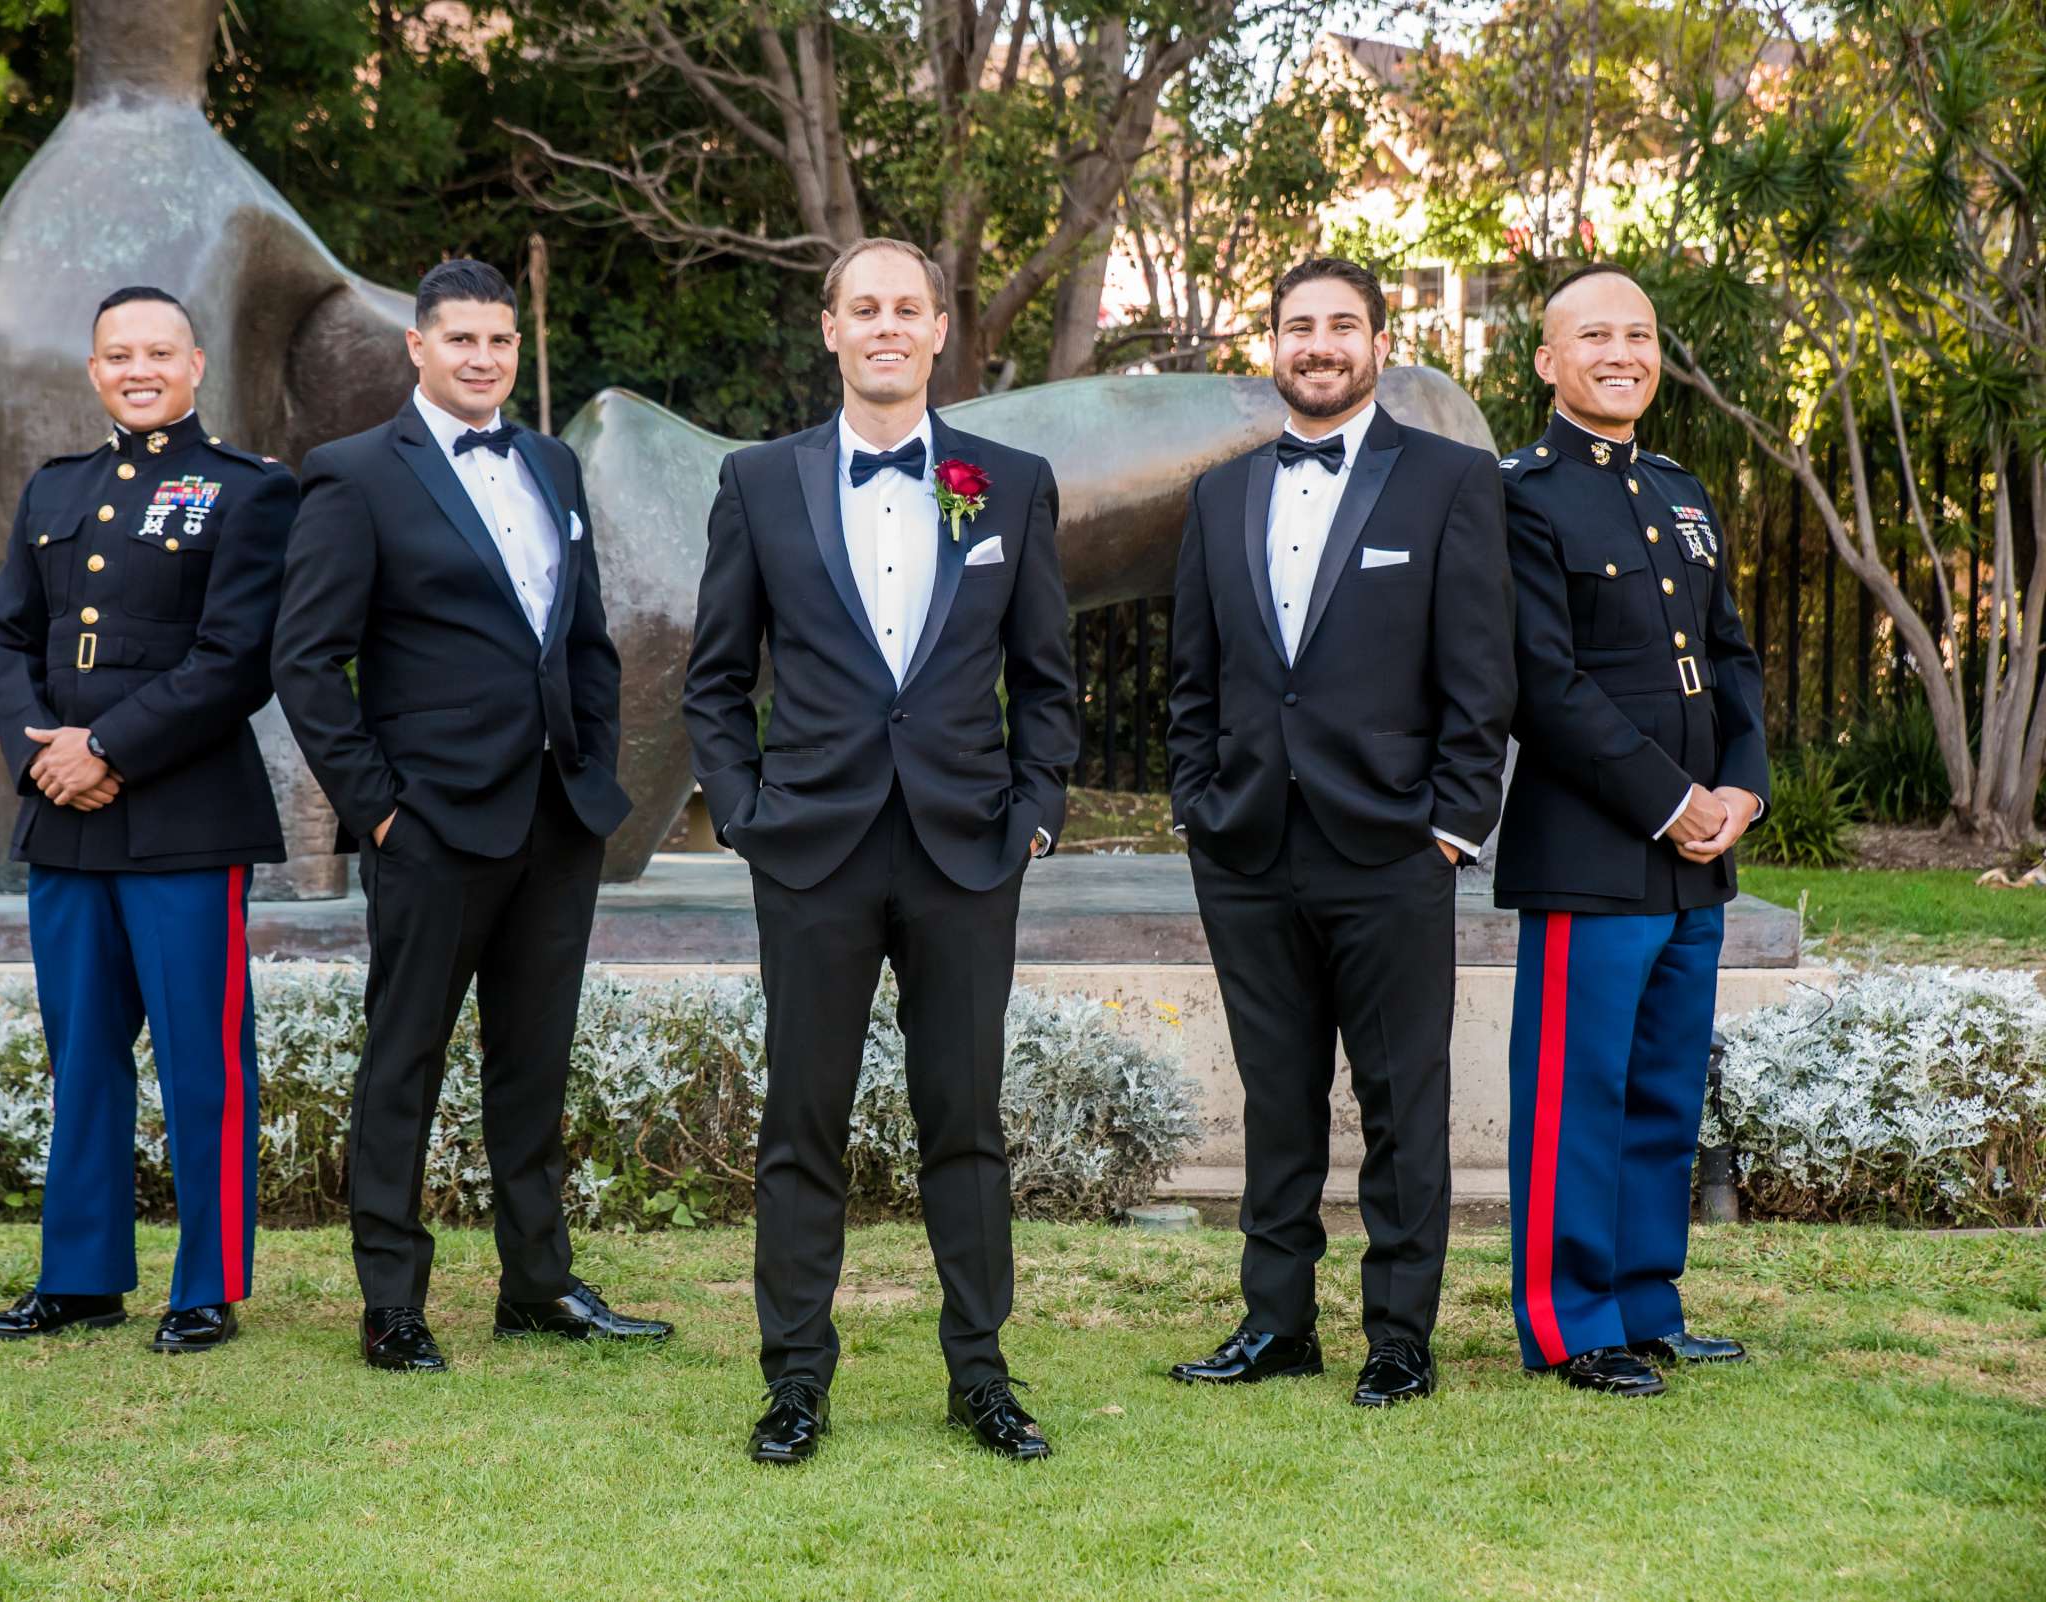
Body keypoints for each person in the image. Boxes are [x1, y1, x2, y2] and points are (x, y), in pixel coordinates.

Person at [682, 238, 1079, 1464]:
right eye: (867, 308)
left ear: (943, 329)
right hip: (810, 853)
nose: (889, 326)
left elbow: (1047, 679)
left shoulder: (1006, 482)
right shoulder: (760, 482)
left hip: (966, 852)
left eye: (910, 307)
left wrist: (1036, 812)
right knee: (802, 1124)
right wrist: (744, 811)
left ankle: (982, 1376)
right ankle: (795, 1380)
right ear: (832, 330)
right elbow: (712, 682)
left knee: (965, 1121)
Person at [271, 259, 671, 1373]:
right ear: (418, 347)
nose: (485, 359)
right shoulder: (354, 475)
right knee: (404, 1062)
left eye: (500, 341)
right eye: (462, 342)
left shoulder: (549, 461)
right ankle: (392, 1305)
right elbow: (307, 664)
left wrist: (589, 771)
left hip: (556, 816)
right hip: (433, 826)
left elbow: (581, 635)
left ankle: (537, 1286)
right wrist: (381, 814)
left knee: (535, 1062)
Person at [1164, 257, 1515, 1407]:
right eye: (1297, 327)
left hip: (1395, 849)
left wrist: (1455, 828)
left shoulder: (1453, 483)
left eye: (1341, 326)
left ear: (1379, 343)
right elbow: (1194, 679)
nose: (1318, 344)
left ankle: (1399, 1337)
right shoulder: (1221, 496)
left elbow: (1481, 677)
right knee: (1276, 1095)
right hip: (1249, 848)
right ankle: (1277, 1324)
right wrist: (1198, 811)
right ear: (1272, 345)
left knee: (1403, 1100)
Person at [0, 285, 298, 1353]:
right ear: (96, 369)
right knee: (83, 1055)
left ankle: (205, 1286)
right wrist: (47, 757)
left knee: (203, 1061)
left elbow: (235, 660)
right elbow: (4, 639)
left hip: (187, 825)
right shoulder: (56, 488)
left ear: (197, 365)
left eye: (159, 351)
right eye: (119, 355)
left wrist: (104, 748)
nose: (139, 369)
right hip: (65, 823)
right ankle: (80, 1277)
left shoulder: (248, 491)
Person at [1493, 261, 1768, 1396]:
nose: (1622, 354)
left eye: (1641, 336)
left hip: (1700, 859)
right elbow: (1543, 685)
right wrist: (1672, 799)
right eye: (1595, 336)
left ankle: (1649, 1303)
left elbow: (1734, 660)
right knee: (1577, 1096)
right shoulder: (1518, 494)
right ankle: (1570, 1321)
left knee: (1662, 1091)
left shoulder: (1683, 491)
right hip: (1594, 851)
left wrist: (1742, 790)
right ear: (1549, 362)